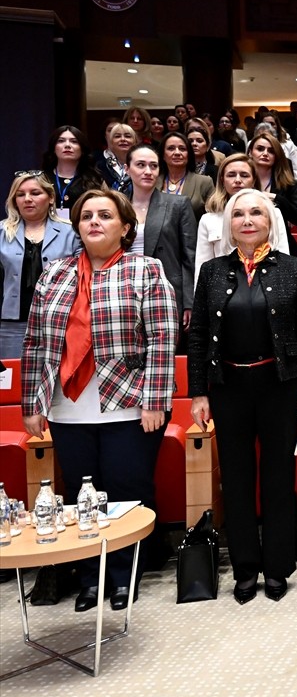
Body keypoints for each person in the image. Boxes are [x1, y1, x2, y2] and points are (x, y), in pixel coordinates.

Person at [22, 188, 177, 612]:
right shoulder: (55, 273)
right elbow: (36, 341)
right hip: (67, 406)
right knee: (80, 495)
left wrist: (155, 400)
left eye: (105, 215)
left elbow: (162, 339)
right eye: (86, 215)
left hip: (128, 402)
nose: (94, 222)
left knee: (128, 490)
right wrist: (32, 403)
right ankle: (92, 577)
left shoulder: (145, 270)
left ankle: (126, 575)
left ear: (125, 227)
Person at [189, 189, 297, 604]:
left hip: (278, 386)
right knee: (237, 480)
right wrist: (198, 393)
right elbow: (196, 338)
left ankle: (278, 567)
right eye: (239, 214)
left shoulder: (293, 269)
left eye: (256, 213)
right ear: (228, 224)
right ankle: (245, 569)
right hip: (228, 388)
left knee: (278, 479)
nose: (247, 220)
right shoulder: (211, 271)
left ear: (271, 221)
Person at [126, 143, 197, 335]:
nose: (148, 171)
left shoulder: (178, 204)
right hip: (124, 288)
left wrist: (189, 301)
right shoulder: (115, 204)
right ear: (127, 169)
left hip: (166, 289)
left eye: (153, 166)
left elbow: (190, 256)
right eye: (140, 165)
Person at [195, 155, 289, 287]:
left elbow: (283, 258)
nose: (238, 180)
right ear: (222, 179)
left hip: (267, 288)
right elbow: (202, 266)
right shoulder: (208, 219)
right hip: (223, 290)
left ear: (254, 180)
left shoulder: (273, 213)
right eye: (231, 175)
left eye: (244, 175)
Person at [1, 171, 81, 322]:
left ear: (51, 198)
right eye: (20, 195)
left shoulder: (72, 233)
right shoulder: (1, 233)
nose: (27, 199)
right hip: (9, 323)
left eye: (35, 193)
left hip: (59, 319)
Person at [247, 132, 297, 256]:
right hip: (245, 242)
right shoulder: (241, 180)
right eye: (260, 149)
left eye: (271, 151)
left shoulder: (287, 183)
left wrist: (277, 198)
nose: (265, 153)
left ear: (277, 156)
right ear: (250, 152)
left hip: (280, 242)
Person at [42, 125, 104, 218]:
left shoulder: (96, 179)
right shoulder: (42, 178)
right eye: (61, 141)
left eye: (74, 141)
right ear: (54, 148)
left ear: (82, 149)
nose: (67, 145)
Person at [158, 130, 215, 221]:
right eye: (171, 148)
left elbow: (214, 218)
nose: (177, 153)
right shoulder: (153, 181)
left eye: (182, 149)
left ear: (189, 154)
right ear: (163, 155)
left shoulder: (205, 182)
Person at [97, 122, 136, 193]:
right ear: (111, 142)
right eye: (117, 136)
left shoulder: (141, 164)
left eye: (127, 136)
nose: (123, 139)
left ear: (134, 141)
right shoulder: (100, 166)